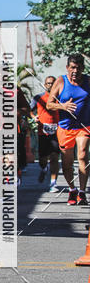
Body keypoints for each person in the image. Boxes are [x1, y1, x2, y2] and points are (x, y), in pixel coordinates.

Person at [47, 54, 90, 206]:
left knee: (83, 155)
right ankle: (72, 189)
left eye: (78, 68)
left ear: (83, 69)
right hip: (65, 128)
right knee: (67, 163)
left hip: (84, 126)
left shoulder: (88, 81)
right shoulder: (60, 81)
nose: (75, 71)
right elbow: (49, 104)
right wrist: (63, 106)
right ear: (67, 68)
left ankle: (83, 192)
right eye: (72, 67)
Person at [31, 75, 60, 191]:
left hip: (57, 132)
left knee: (54, 157)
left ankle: (53, 183)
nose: (50, 85)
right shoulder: (38, 97)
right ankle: (44, 169)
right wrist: (34, 117)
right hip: (43, 132)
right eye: (48, 83)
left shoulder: (60, 97)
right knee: (43, 159)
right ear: (44, 84)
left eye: (52, 83)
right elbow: (29, 109)